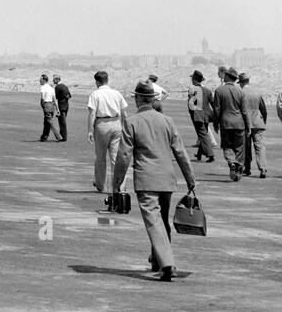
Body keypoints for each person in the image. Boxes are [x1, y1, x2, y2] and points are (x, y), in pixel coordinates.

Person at [112, 80, 197, 281]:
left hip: (146, 179)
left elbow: (124, 155)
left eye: (135, 97)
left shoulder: (132, 122)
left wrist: (117, 182)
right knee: (162, 222)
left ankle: (167, 264)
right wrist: (190, 179)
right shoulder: (167, 120)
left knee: (154, 221)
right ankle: (158, 261)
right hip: (167, 179)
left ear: (140, 98)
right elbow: (181, 152)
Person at [86, 69, 128, 192]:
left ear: (97, 82)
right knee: (116, 157)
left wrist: (90, 130)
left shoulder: (95, 94)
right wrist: (125, 128)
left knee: (100, 157)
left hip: (102, 124)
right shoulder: (116, 93)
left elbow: (92, 113)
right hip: (116, 123)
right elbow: (124, 113)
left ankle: (100, 184)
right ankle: (120, 185)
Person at [213, 67, 252, 182]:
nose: (223, 76)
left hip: (226, 123)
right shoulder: (240, 91)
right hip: (239, 124)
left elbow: (217, 110)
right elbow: (245, 111)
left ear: (228, 77)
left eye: (225, 75)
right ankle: (238, 165)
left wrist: (216, 123)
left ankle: (232, 162)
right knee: (240, 148)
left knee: (227, 146)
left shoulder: (219, 91)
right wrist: (248, 126)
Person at [237, 72, 267, 178]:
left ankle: (247, 168)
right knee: (259, 147)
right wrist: (264, 120)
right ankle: (262, 168)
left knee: (246, 147)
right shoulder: (257, 92)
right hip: (258, 122)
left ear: (240, 82)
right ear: (248, 80)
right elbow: (263, 109)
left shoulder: (240, 93)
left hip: (245, 123)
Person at [186, 70, 214, 163]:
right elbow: (213, 104)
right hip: (207, 116)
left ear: (194, 80)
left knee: (203, 135)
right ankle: (199, 154)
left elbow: (190, 105)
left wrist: (192, 115)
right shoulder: (207, 90)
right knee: (203, 134)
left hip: (198, 116)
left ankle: (210, 155)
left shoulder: (193, 90)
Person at [38, 73, 62, 141]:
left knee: (49, 122)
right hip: (52, 106)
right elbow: (55, 99)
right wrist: (57, 109)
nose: (39, 80)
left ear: (44, 80)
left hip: (47, 105)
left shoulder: (43, 87)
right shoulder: (51, 88)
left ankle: (58, 136)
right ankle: (44, 137)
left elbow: (42, 98)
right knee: (46, 122)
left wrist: (43, 106)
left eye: (40, 79)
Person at [52, 74, 70, 141]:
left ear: (57, 80)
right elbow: (68, 96)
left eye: (54, 79)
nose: (53, 80)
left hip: (61, 106)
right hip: (66, 105)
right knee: (63, 122)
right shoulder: (65, 86)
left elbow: (55, 98)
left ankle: (63, 137)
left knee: (62, 122)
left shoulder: (57, 87)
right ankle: (62, 136)